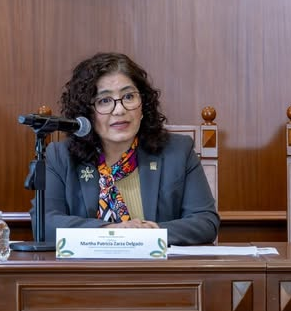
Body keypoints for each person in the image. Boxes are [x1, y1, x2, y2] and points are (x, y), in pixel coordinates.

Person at [42, 52, 220, 245]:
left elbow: (205, 222)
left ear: (143, 105)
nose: (120, 110)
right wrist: (111, 232)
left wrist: (151, 233)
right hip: (89, 265)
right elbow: (45, 223)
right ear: (86, 112)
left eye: (128, 97)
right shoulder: (61, 157)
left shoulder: (178, 151)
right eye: (104, 100)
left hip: (157, 264)